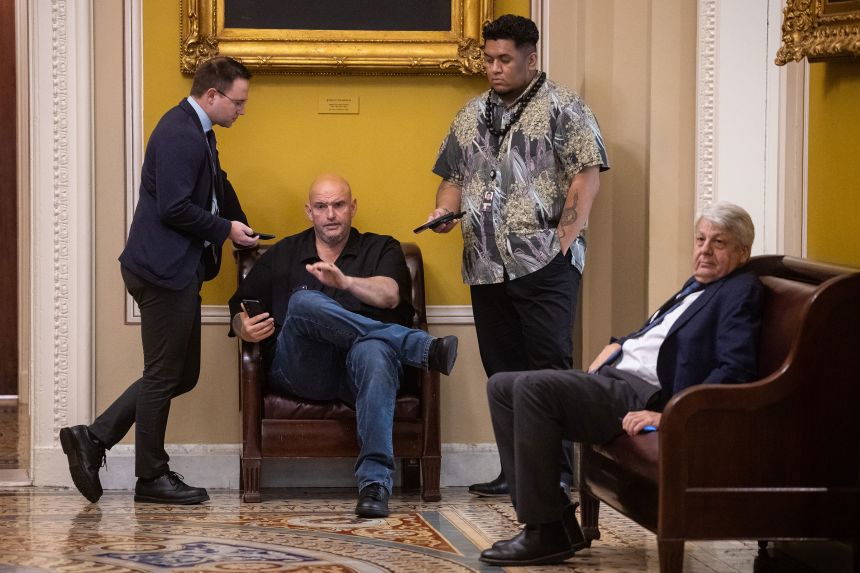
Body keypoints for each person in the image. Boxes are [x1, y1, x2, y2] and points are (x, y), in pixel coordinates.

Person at [479, 202, 764, 566]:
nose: (704, 250)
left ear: (742, 253)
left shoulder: (740, 290)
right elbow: (657, 338)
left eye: (718, 243)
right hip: (616, 378)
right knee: (502, 386)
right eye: (700, 239)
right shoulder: (699, 286)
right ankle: (556, 519)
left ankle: (543, 531)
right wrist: (619, 344)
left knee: (532, 390)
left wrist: (672, 414)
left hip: (638, 395)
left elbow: (735, 368)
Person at [59, 56, 259, 505]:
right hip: (162, 271)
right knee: (163, 373)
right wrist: (224, 230)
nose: (241, 111)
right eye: (238, 103)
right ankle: (149, 475)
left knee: (179, 375)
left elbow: (216, 186)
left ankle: (93, 438)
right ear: (212, 95)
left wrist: (241, 226)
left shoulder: (199, 132)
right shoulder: (179, 133)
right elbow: (173, 208)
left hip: (177, 269)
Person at [427, 14, 609, 497]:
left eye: (504, 59)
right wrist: (446, 211)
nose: (494, 68)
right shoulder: (469, 115)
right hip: (485, 266)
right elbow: (452, 178)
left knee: (548, 367)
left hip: (543, 262)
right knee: (501, 372)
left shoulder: (564, 107)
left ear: (532, 58)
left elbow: (586, 174)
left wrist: (563, 244)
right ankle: (515, 471)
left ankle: (559, 473)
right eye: (488, 59)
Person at [229, 174, 459, 519]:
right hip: (303, 371)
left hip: (362, 374)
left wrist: (346, 282)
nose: (331, 214)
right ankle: (416, 346)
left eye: (338, 205)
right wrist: (243, 328)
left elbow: (390, 294)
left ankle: (374, 485)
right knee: (304, 302)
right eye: (321, 207)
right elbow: (238, 306)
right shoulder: (286, 252)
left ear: (353, 208)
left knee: (375, 351)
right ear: (309, 212)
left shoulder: (382, 247)